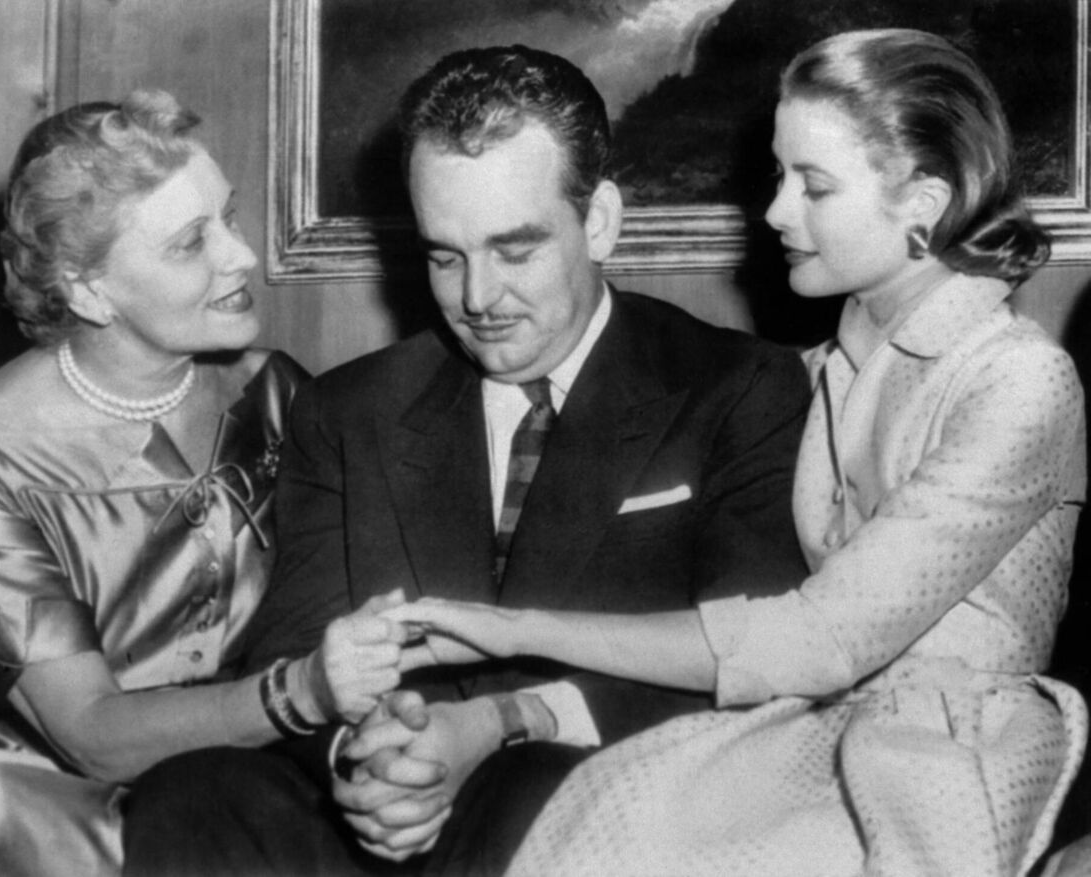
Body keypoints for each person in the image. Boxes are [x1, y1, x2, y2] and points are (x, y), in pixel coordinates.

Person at [387, 28, 1091, 877]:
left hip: (947, 763)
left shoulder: (1020, 381)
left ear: (925, 204)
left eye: (814, 186)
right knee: (590, 820)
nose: (776, 212)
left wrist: (513, 630)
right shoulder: (816, 371)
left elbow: (819, 638)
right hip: (816, 731)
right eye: (779, 175)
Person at [120, 45, 811, 876]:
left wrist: (504, 723)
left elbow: (757, 662)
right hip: (385, 817)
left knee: (533, 786)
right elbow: (295, 649)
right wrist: (368, 757)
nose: (477, 299)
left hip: (600, 806)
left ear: (599, 222)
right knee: (192, 797)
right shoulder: (349, 409)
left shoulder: (737, 389)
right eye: (444, 256)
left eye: (514, 251)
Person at [0, 90, 409, 876]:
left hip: (240, 770)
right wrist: (297, 693)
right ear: (89, 289)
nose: (239, 256)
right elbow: (94, 735)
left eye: (228, 217)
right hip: (39, 789)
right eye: (189, 243)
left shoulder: (276, 395)